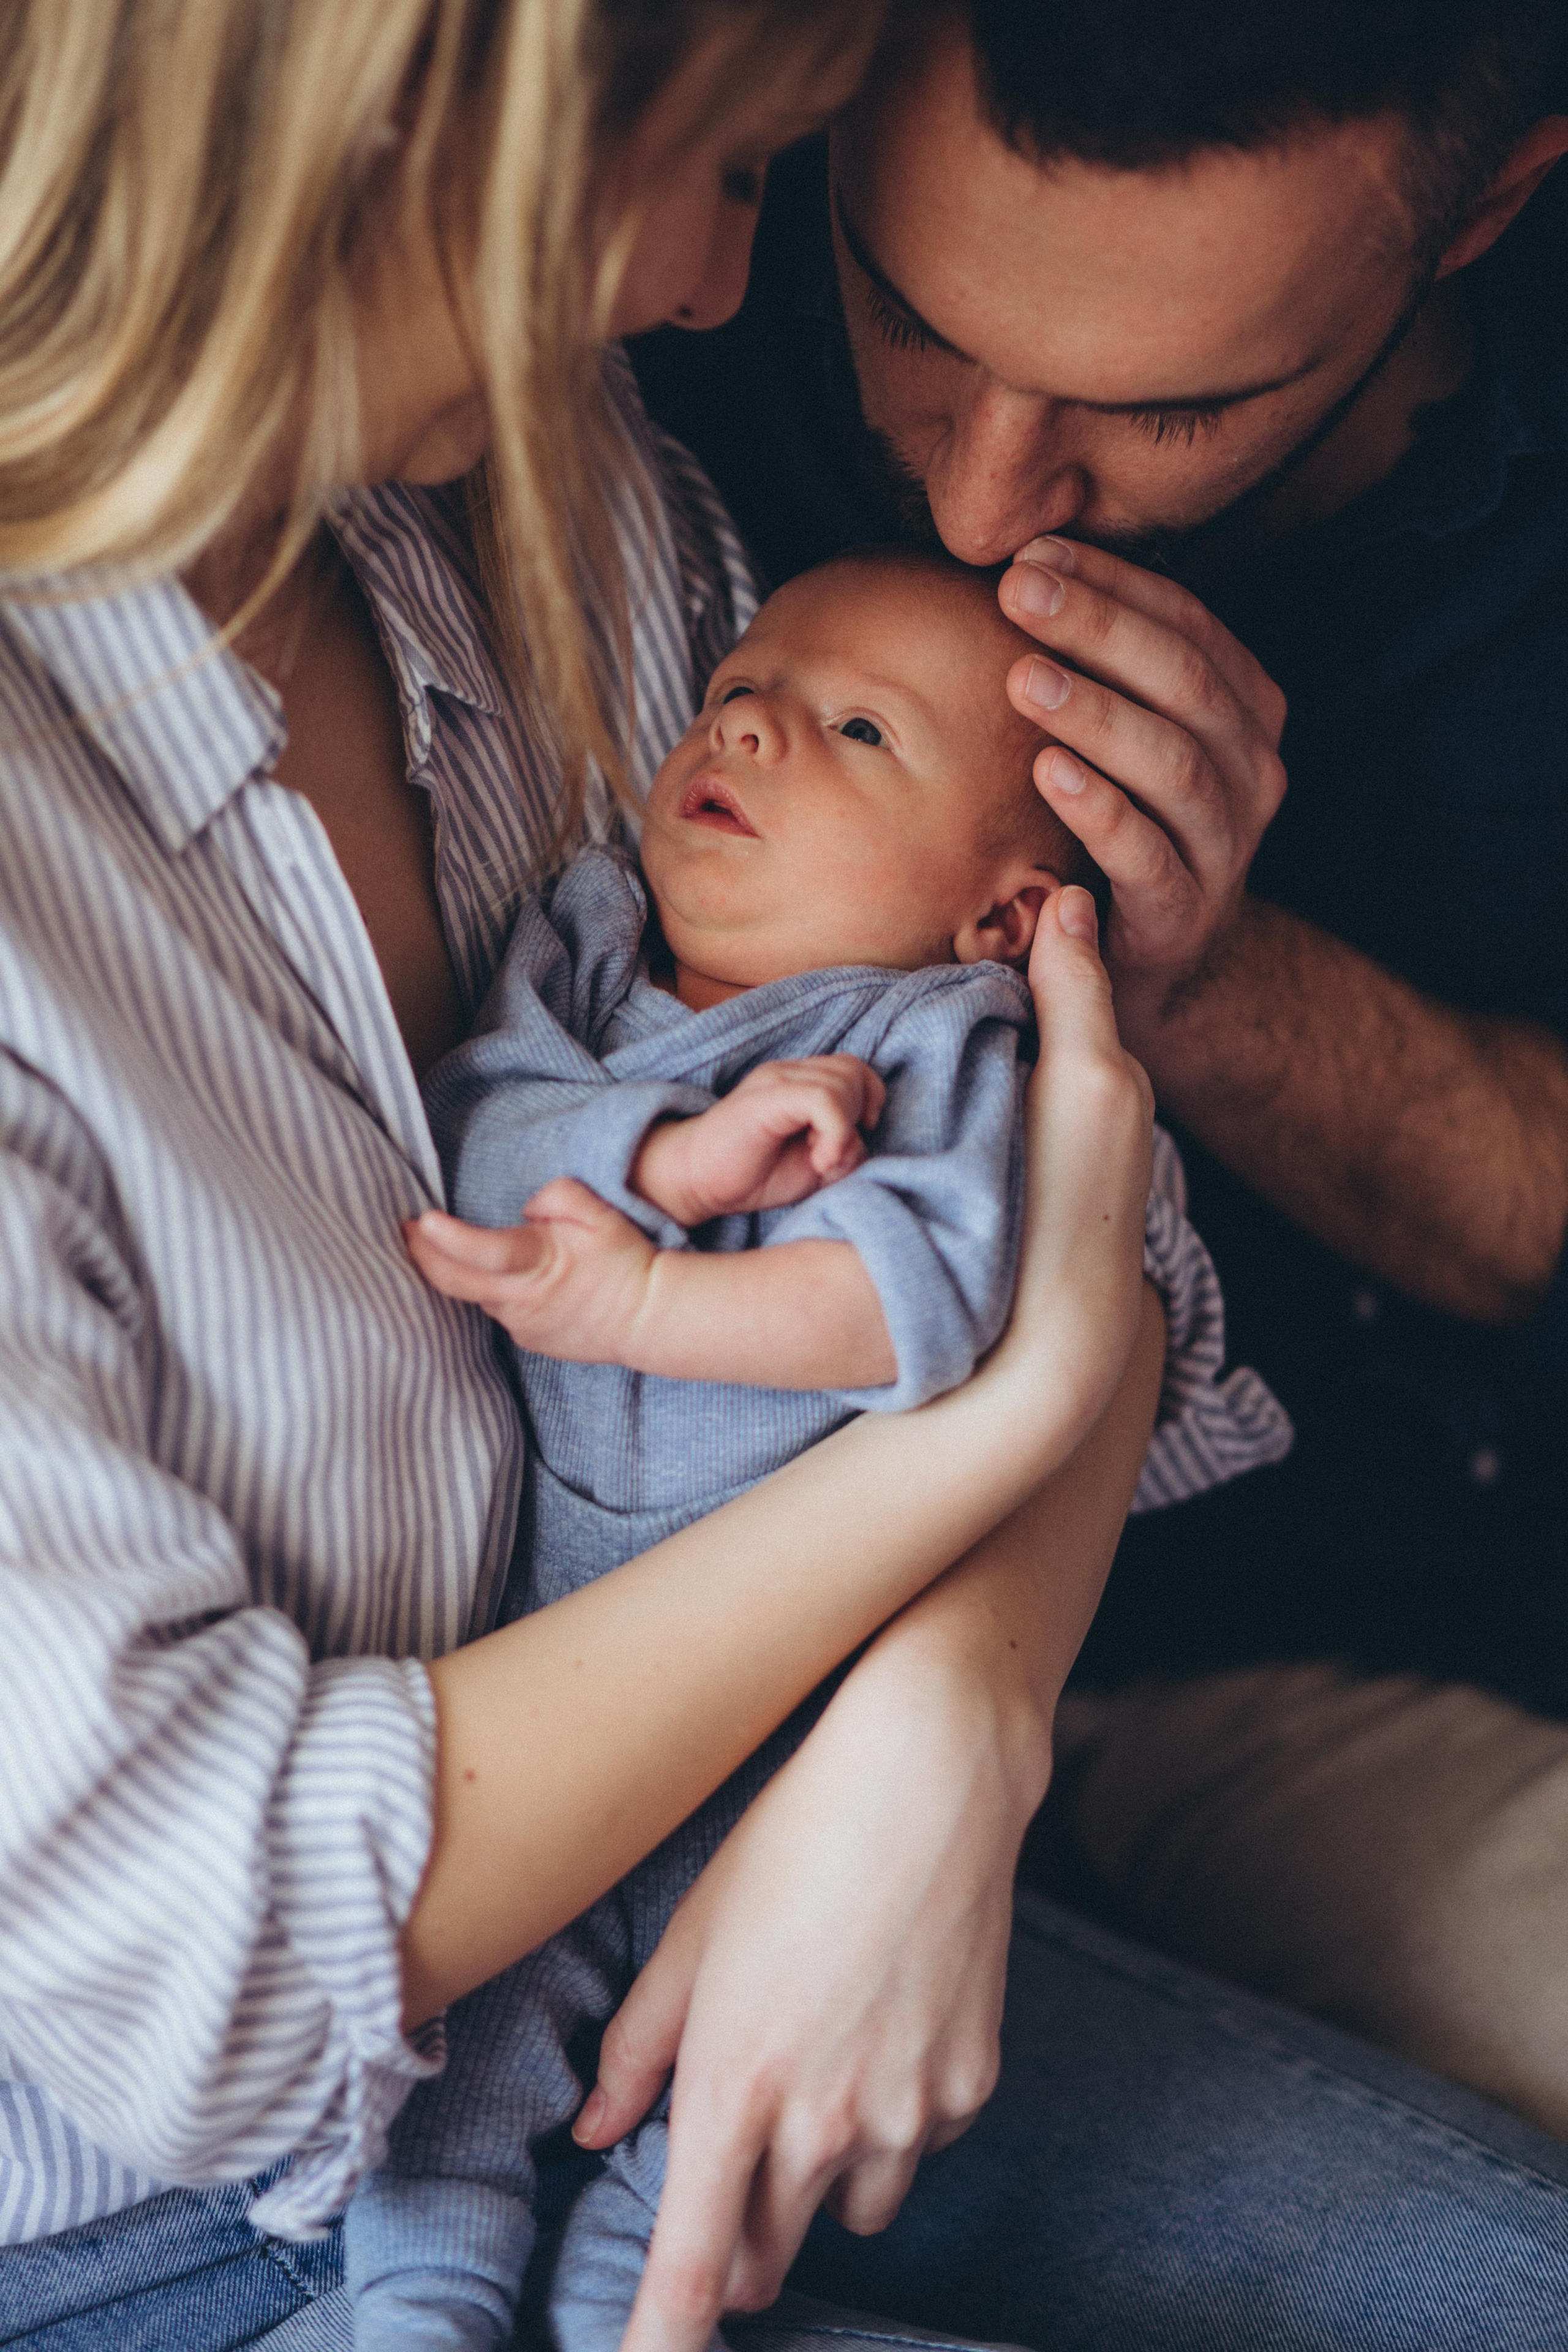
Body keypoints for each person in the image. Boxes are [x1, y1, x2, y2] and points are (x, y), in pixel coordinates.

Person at [5, 9, 1568, 2352]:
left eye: (1166, 407)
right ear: (409, 154)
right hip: (183, 2178)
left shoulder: (557, 518)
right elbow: (209, 1964)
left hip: (761, 1854)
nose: (727, 290)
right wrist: (1004, 1442)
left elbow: (1083, 1217)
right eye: (747, 174)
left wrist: (952, 1722)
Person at [630, 0, 1568, 2139]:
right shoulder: (674, 261)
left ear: (1485, 215)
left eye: (1176, 409)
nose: (977, 503)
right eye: (907, 315)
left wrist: (1211, 989)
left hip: (1372, 1612)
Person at [343, 549, 1287, 2350]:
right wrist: (666, 1175)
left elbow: (913, 1304)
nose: (754, 721)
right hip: (536, 1687)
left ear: (1000, 917)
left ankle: (639, 2299)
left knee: (707, 2085)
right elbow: (475, 1131)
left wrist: (647, 1311)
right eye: (743, 686)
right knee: (450, 2082)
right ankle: (421, 2311)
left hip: (792, 1731)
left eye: (855, 729)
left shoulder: (940, 1044)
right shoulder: (595, 939)